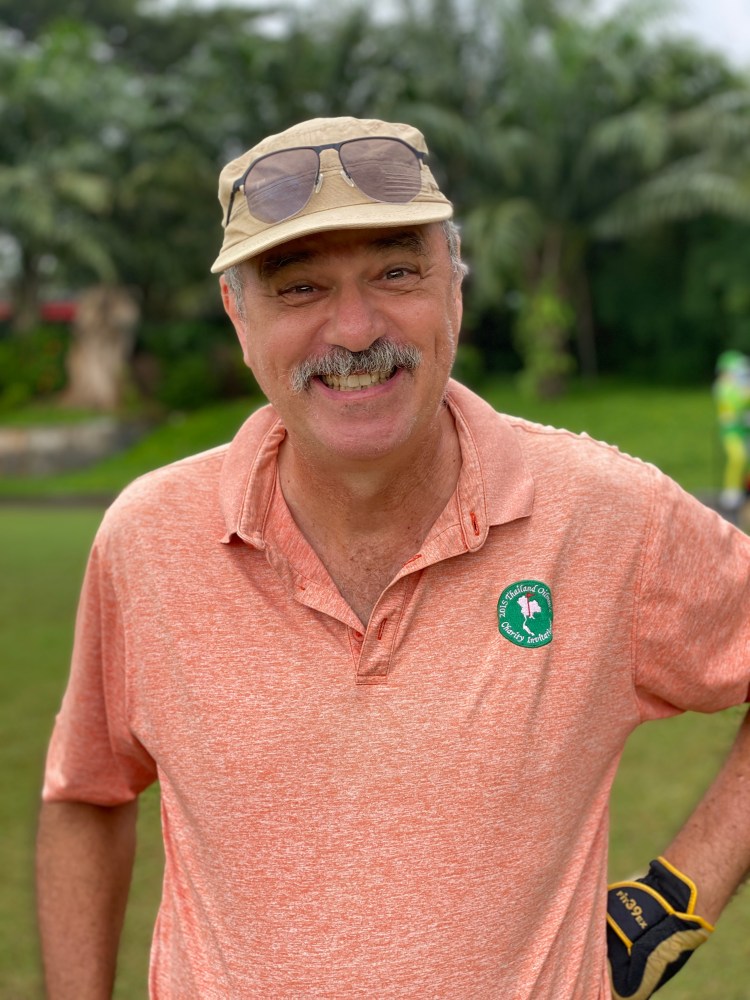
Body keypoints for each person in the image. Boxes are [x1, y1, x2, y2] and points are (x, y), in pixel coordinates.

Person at [36, 116, 750, 1000]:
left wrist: (678, 899)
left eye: (397, 272)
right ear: (237, 313)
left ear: (454, 285)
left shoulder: (607, 517)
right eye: (299, 287)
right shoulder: (149, 539)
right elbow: (86, 791)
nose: (354, 328)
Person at [713, 349, 750, 523]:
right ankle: (731, 492)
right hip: (732, 432)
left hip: (745, 430)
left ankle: (744, 490)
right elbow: (735, 404)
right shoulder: (724, 388)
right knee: (738, 457)